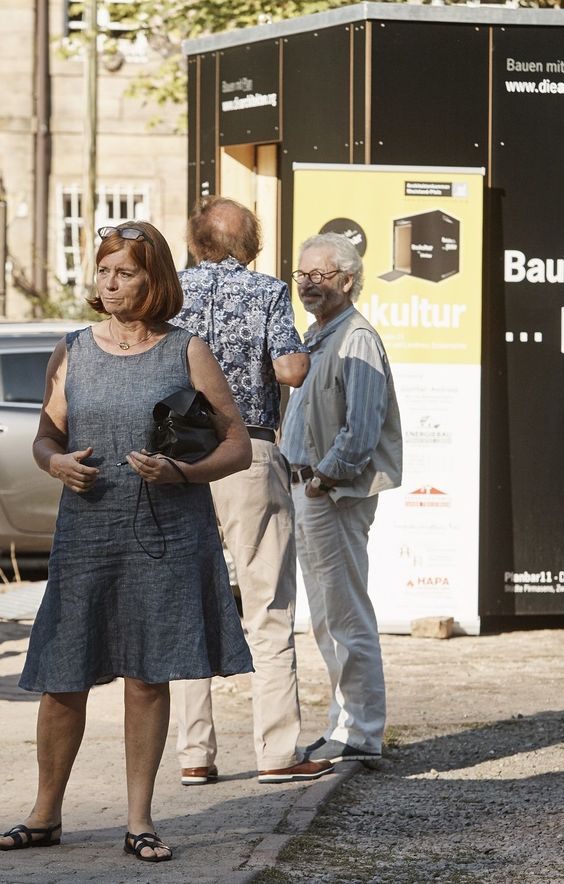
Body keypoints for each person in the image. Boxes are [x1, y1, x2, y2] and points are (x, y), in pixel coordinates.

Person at [0, 221, 253, 863]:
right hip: (87, 534)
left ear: (154, 278)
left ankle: (139, 820)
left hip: (165, 533)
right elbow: (46, 436)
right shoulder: (73, 349)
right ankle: (44, 813)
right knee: (63, 675)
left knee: (147, 676)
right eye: (103, 270)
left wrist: (182, 472)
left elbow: (238, 445)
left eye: (125, 272)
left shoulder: (186, 350)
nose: (110, 283)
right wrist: (53, 463)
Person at [170, 197, 330, 785]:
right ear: (251, 241)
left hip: (181, 460)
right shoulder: (264, 292)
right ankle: (278, 753)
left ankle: (194, 754)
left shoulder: (170, 292)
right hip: (249, 454)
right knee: (268, 606)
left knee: (190, 605)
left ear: (195, 242)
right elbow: (289, 371)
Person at [280, 232, 402, 764]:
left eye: (319, 276)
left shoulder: (356, 338)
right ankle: (344, 726)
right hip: (312, 491)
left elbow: (362, 428)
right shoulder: (319, 334)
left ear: (347, 281)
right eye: (301, 275)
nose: (307, 284)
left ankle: (360, 733)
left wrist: (322, 479)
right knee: (328, 617)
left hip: (332, 494)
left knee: (346, 615)